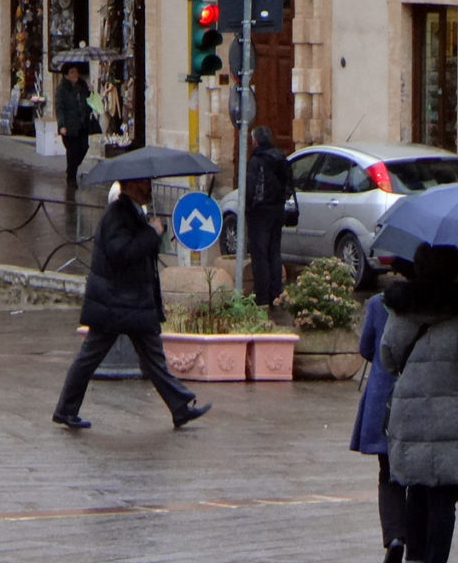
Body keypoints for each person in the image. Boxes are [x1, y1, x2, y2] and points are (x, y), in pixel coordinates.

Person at [52, 176, 211, 430]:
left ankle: (180, 407)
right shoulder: (117, 213)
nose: (150, 187)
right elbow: (121, 253)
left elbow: (138, 250)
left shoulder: (132, 212)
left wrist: (152, 230)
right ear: (131, 184)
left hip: (131, 302)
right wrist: (151, 232)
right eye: (145, 183)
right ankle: (65, 410)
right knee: (90, 357)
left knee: (152, 358)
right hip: (116, 302)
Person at [382, 244, 458, 563]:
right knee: (443, 494)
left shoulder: (402, 308)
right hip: (452, 410)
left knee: (415, 489)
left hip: (410, 409)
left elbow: (389, 355)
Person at [350, 258, 413, 563]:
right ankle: (415, 545)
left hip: (382, 398)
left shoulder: (377, 305)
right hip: (416, 398)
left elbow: (366, 349)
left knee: (388, 474)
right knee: (416, 478)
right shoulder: (432, 306)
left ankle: (394, 538)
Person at [245, 125, 292, 307]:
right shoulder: (280, 157)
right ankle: (276, 294)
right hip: (278, 210)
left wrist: (248, 209)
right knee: (274, 252)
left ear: (255, 141)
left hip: (260, 212)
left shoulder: (256, 161)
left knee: (260, 254)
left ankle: (262, 298)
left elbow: (250, 189)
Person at [55, 61, 92, 185]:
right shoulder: (62, 89)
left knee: (84, 147)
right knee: (72, 152)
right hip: (69, 126)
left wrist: (92, 93)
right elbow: (59, 108)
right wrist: (62, 125)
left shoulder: (82, 86)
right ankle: (71, 179)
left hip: (82, 124)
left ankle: (71, 168)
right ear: (66, 75)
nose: (74, 74)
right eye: (71, 72)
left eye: (76, 71)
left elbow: (89, 102)